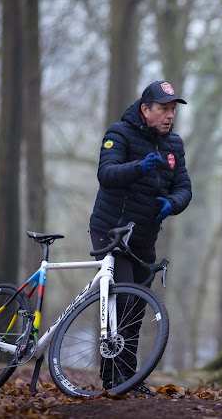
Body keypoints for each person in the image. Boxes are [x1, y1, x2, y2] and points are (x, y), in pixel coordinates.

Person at [89, 80, 192, 394]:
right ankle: (114, 380)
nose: (169, 115)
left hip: (144, 237)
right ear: (145, 109)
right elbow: (106, 174)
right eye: (163, 108)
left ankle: (128, 379)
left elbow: (184, 188)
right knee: (124, 301)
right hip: (112, 231)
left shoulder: (174, 145)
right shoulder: (119, 133)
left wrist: (171, 204)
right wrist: (138, 167)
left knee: (136, 309)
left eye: (172, 109)